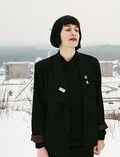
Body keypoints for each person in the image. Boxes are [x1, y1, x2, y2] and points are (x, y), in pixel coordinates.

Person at [31, 15, 108, 157]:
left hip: (86, 143)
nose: (74, 33)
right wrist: (39, 145)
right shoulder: (44, 68)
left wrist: (100, 136)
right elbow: (39, 106)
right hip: (55, 142)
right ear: (57, 35)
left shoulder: (91, 64)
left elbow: (97, 101)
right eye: (68, 29)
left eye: (77, 30)